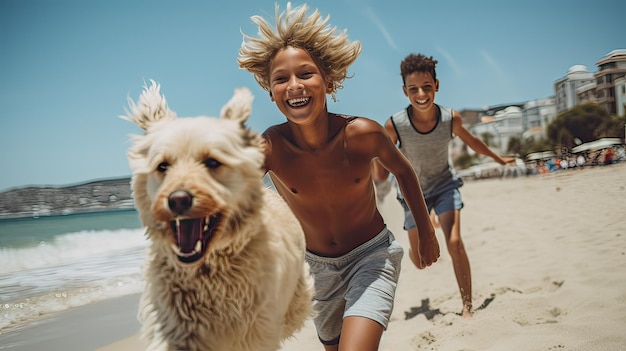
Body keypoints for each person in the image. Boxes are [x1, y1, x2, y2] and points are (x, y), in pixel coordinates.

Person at [238, 4, 440, 350]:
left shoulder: (363, 133)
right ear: (271, 93)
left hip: (372, 256)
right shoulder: (271, 147)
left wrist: (424, 231)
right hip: (315, 270)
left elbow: (405, 172)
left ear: (328, 82)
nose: (294, 85)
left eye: (305, 74)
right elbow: (234, 197)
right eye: (281, 79)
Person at [372, 53, 515, 318]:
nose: (422, 94)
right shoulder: (395, 125)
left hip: (444, 186)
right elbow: (380, 159)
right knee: (420, 261)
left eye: (427, 87)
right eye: (413, 89)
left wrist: (498, 158)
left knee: (455, 242)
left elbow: (473, 142)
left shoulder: (451, 119)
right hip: (412, 195)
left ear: (437, 85)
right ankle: (428, 220)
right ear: (405, 91)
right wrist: (377, 177)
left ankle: (467, 305)